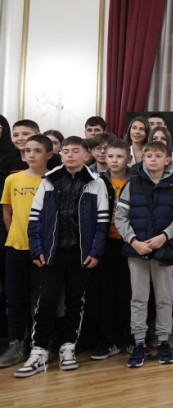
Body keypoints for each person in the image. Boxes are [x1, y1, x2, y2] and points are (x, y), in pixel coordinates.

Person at [15, 137, 110, 378]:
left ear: (86, 155)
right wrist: (37, 249)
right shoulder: (49, 180)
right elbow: (35, 219)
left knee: (75, 302)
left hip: (80, 254)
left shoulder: (96, 182)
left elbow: (102, 222)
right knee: (46, 301)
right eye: (65, 151)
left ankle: (68, 347)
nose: (69, 155)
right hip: (52, 252)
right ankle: (39, 350)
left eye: (75, 151)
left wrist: (95, 252)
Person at [115, 140, 173, 369]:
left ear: (167, 160)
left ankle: (163, 341)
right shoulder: (132, 183)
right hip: (137, 250)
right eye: (149, 156)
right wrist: (133, 241)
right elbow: (120, 217)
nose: (153, 160)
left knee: (163, 298)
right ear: (143, 159)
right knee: (138, 298)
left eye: (158, 156)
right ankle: (139, 342)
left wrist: (163, 237)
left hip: (163, 250)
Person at [0, 134, 51, 369]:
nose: (31, 155)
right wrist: (15, 234)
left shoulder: (53, 180)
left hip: (43, 250)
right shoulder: (13, 179)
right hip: (15, 248)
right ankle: (16, 343)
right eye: (28, 150)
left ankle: (40, 342)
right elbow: (7, 211)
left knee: (41, 298)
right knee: (15, 297)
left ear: (49, 154)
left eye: (37, 151)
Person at [90, 138, 135, 360]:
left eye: (119, 156)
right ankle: (110, 340)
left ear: (129, 158)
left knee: (129, 292)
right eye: (110, 156)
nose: (114, 160)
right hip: (106, 243)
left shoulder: (137, 181)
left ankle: (131, 337)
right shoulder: (97, 181)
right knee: (106, 292)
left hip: (130, 243)